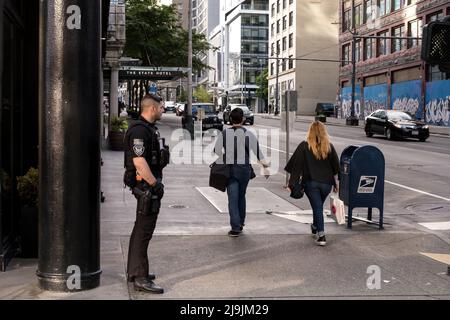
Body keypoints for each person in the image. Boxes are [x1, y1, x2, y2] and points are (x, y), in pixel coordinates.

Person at [123, 93, 170, 293]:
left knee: (140, 229)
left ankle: (135, 270)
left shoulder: (148, 129)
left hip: (147, 185)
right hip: (145, 187)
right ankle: (140, 278)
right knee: (144, 232)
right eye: (161, 107)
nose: (163, 110)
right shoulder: (139, 131)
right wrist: (154, 184)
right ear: (152, 108)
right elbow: (139, 162)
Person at [215, 108, 270, 237]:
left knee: (233, 198)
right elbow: (258, 152)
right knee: (241, 196)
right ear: (243, 119)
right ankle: (241, 223)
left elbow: (217, 151)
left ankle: (235, 227)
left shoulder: (224, 134)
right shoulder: (248, 134)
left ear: (230, 119)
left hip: (230, 170)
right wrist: (265, 167)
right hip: (244, 170)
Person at [284, 121, 339, 246]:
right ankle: (315, 226)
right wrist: (336, 184)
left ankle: (321, 235)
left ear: (310, 132)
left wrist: (291, 183)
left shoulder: (304, 146)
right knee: (318, 206)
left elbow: (295, 165)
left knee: (317, 207)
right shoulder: (329, 146)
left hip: (311, 183)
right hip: (326, 185)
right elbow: (336, 167)